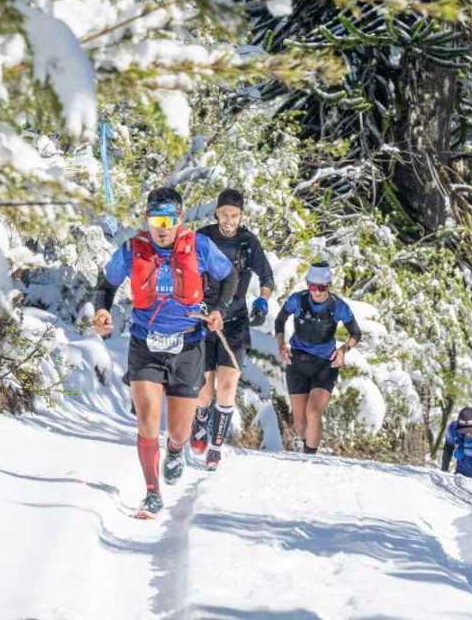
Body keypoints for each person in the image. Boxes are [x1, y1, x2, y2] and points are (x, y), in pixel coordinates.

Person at [92, 187, 238, 518]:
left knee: (179, 431)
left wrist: (219, 309)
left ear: (180, 219)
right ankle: (151, 493)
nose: (162, 228)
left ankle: (174, 450)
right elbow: (106, 285)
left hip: (188, 345)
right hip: (145, 344)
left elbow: (229, 275)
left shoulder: (200, 246)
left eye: (169, 221)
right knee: (147, 420)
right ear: (147, 219)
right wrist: (102, 311)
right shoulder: (132, 250)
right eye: (156, 220)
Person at [190, 189, 275, 470]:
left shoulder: (248, 242)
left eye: (234, 215)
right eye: (224, 214)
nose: (229, 220)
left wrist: (262, 301)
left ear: (241, 216)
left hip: (235, 322)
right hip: (203, 320)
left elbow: (267, 277)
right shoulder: (203, 237)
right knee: (204, 391)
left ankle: (216, 446)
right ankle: (201, 417)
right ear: (216, 213)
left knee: (227, 386)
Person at [273, 261, 361, 455]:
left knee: (313, 411)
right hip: (298, 361)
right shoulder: (298, 300)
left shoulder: (338, 306)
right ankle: (308, 446)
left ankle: (309, 460)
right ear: (308, 285)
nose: (317, 292)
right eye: (313, 287)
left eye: (321, 288)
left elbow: (356, 333)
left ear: (328, 286)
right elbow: (280, 320)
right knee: (300, 425)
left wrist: (343, 350)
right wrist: (281, 344)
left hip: (325, 364)